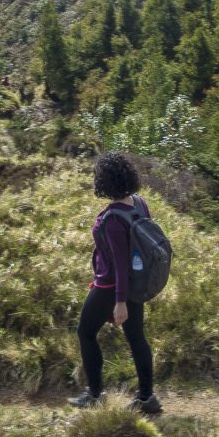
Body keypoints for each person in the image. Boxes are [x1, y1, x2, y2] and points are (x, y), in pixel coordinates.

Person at [73, 152, 160, 414]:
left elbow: (119, 263)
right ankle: (147, 399)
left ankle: (95, 394)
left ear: (105, 181)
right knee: (136, 339)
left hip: (111, 286)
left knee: (85, 332)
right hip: (137, 284)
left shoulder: (112, 219)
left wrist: (120, 302)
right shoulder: (139, 203)